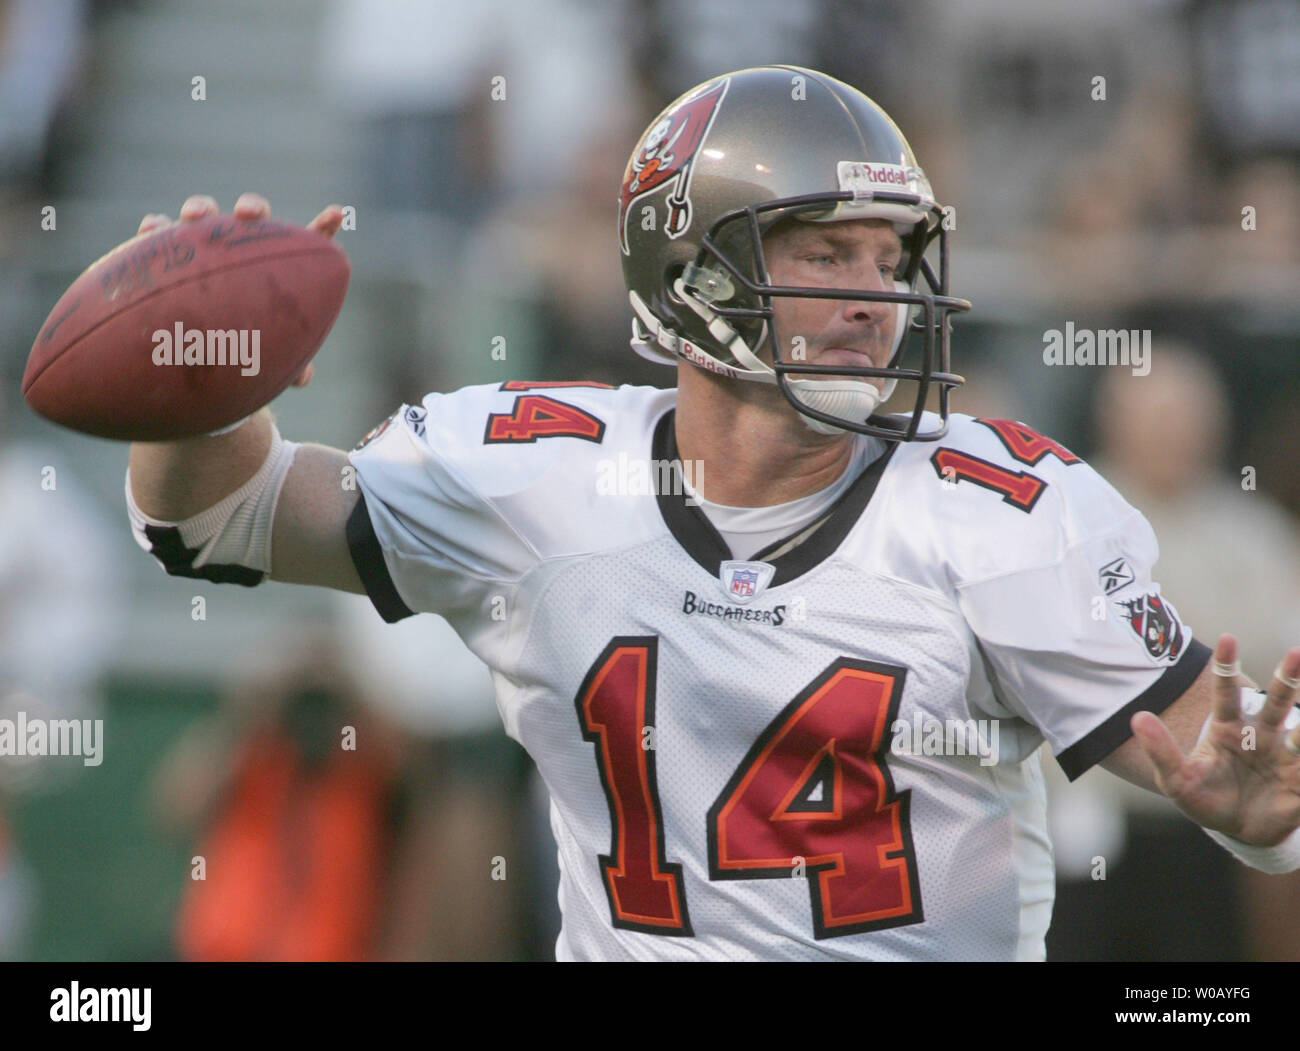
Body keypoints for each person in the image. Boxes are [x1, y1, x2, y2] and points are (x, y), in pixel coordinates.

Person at [122, 66, 1300, 961]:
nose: (875, 301)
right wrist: (195, 394)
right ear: (691, 281)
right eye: (826, 256)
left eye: (891, 260)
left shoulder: (996, 510)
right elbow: (221, 513)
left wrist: (1259, 811)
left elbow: (1230, 752)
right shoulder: (533, 477)